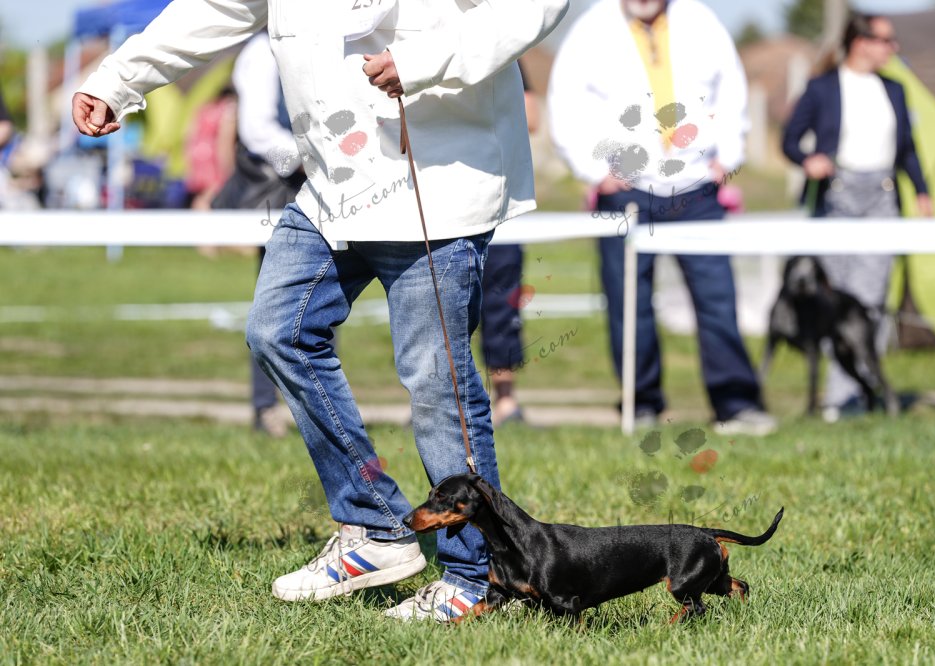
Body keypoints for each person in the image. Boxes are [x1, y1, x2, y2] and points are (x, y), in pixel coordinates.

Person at [73, 0, 568, 622]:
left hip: (437, 178)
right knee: (277, 330)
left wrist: (425, 59)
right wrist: (118, 80)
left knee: (436, 380)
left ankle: (480, 577)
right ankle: (376, 526)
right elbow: (216, 7)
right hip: (333, 184)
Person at [548, 0, 776, 435]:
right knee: (628, 302)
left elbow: (732, 90)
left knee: (717, 299)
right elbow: (565, 103)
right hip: (626, 191)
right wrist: (592, 171)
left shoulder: (701, 21)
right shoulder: (590, 30)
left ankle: (736, 405)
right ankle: (642, 404)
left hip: (697, 189)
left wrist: (729, 156)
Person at [782, 12, 933, 422]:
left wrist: (922, 191)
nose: (893, 48)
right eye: (886, 40)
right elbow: (790, 139)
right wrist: (807, 160)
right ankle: (840, 396)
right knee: (836, 300)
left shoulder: (895, 89)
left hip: (881, 198)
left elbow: (907, 148)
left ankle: (857, 393)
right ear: (861, 42)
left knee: (870, 300)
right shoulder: (823, 87)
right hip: (836, 197)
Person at [210, 31, 306, 438]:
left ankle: (310, 410)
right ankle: (266, 407)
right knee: (273, 309)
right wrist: (308, 160)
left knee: (321, 304)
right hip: (280, 192)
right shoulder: (261, 50)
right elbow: (257, 132)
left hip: (307, 187)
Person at [480, 61, 540, 427]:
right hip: (442, 206)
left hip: (500, 201)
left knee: (502, 304)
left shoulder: (506, 51)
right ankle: (437, 399)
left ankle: (505, 399)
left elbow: (532, 117)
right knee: (435, 307)